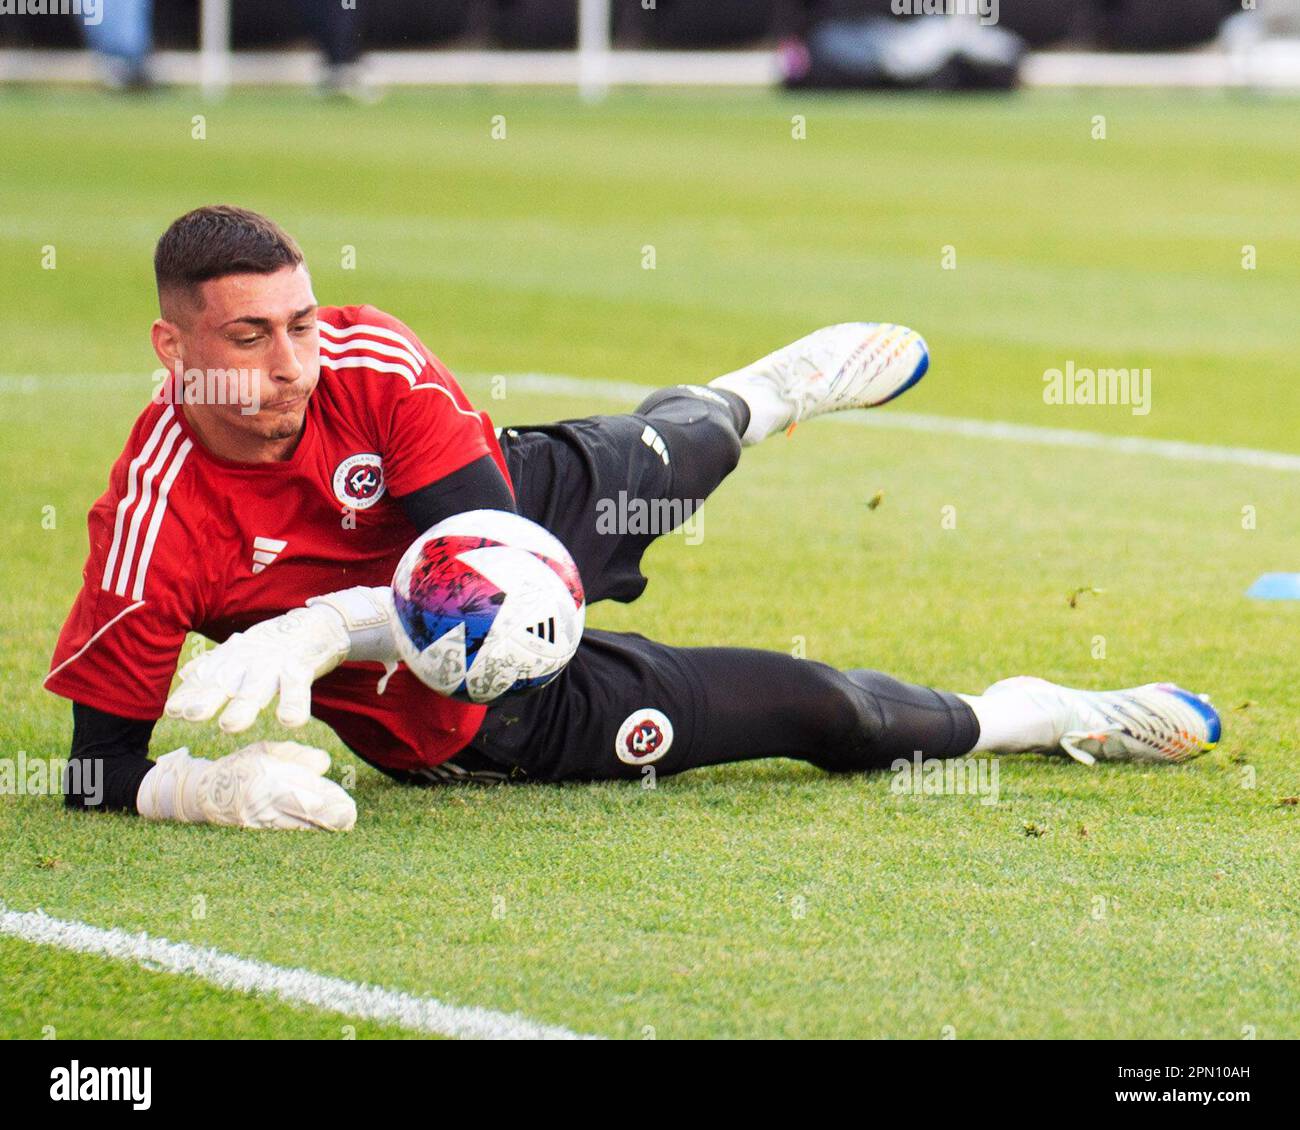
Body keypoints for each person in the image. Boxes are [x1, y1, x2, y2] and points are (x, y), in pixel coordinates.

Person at [47, 205, 1221, 831]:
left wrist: (311, 628)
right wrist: (205, 787)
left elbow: (493, 560)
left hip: (503, 509)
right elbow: (94, 776)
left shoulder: (369, 358)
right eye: (250, 336)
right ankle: (1039, 712)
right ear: (174, 346)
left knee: (684, 449)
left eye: (299, 322)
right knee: (825, 711)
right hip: (476, 716)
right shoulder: (153, 528)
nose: (295, 360)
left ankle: (757, 396)